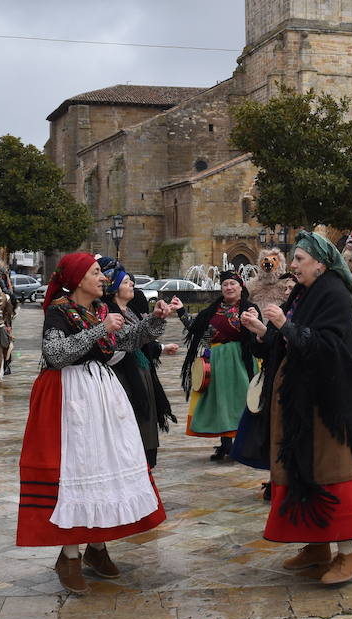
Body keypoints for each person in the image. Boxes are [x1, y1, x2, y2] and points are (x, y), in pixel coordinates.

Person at [239, 231, 352, 585]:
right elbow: (289, 338)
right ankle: (317, 545)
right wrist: (264, 331)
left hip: (328, 403)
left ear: (321, 264)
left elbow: (327, 346)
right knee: (302, 467)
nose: (292, 266)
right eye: (293, 260)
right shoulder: (305, 291)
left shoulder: (336, 295)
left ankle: (349, 553)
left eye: (299, 260)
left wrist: (284, 325)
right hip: (300, 398)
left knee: (330, 468)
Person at [18, 252, 167, 595]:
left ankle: (97, 547)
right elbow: (55, 354)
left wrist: (155, 320)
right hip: (70, 396)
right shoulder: (59, 311)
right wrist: (100, 329)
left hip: (100, 392)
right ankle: (69, 556)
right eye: (96, 272)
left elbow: (126, 342)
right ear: (78, 278)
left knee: (103, 463)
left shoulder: (100, 310)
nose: (103, 278)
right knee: (78, 469)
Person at [104, 266, 179, 468]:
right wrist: (155, 319)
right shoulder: (108, 312)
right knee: (133, 420)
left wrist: (158, 321)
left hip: (141, 370)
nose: (132, 285)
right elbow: (130, 339)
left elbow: (143, 338)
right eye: (126, 282)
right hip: (123, 375)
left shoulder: (130, 311)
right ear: (114, 287)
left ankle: (145, 462)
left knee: (146, 419)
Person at [181, 272, 257, 460]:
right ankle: (226, 444)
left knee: (241, 401)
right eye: (225, 285)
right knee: (221, 401)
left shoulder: (250, 308)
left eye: (232, 284)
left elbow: (257, 334)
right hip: (216, 361)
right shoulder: (212, 310)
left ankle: (244, 445)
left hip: (240, 360)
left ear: (241, 287)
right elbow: (198, 330)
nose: (229, 287)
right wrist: (181, 312)